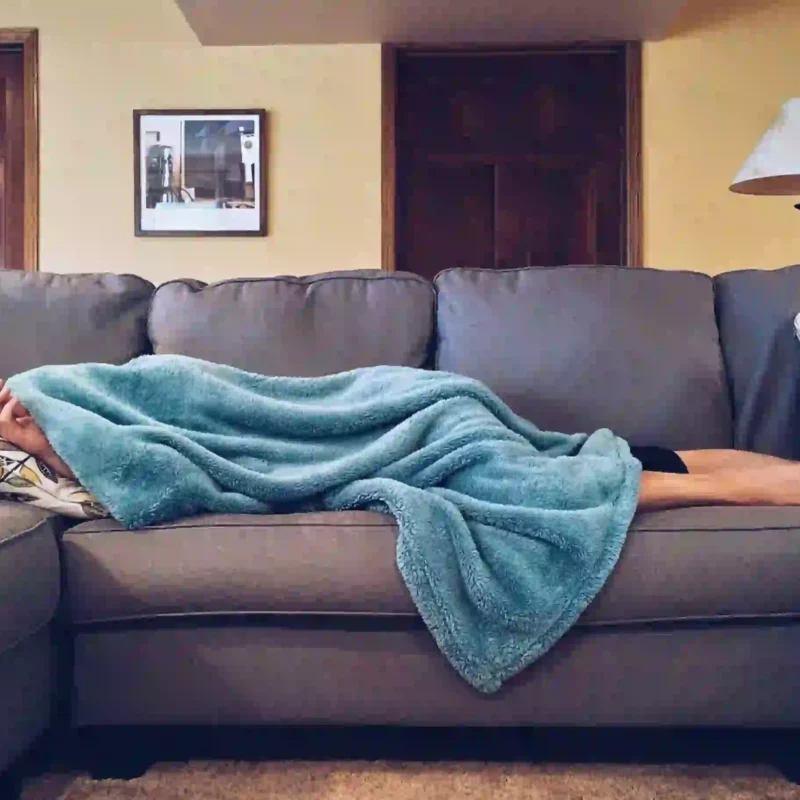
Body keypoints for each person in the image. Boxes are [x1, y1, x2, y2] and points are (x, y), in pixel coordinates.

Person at [1, 377, 799, 514]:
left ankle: (735, 491)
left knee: (513, 481)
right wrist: (54, 445)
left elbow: (157, 461)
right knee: (584, 459)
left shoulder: (55, 383)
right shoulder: (39, 433)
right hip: (424, 414)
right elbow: (163, 474)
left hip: (407, 415)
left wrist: (52, 428)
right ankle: (747, 478)